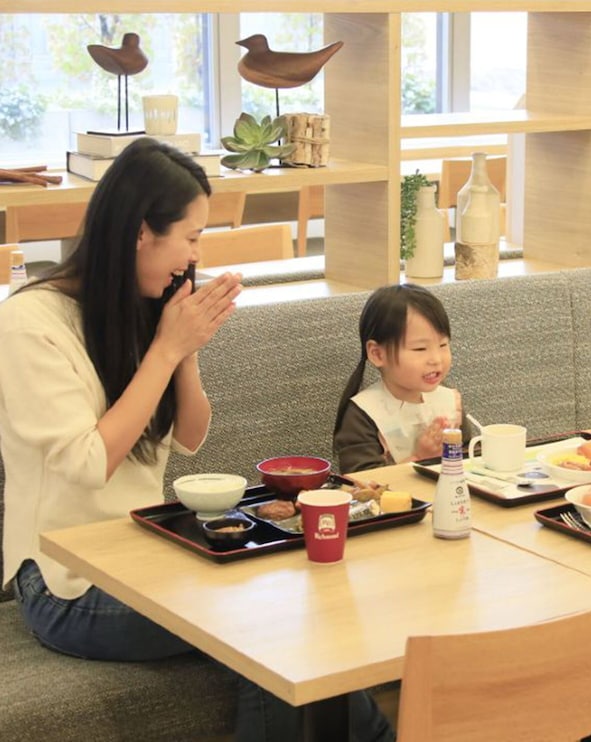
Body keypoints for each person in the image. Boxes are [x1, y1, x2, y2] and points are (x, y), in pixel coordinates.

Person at [0, 138, 393, 742]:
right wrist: (167, 348)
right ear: (139, 232)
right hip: (64, 583)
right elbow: (86, 464)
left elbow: (189, 435)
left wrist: (183, 351)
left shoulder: (138, 304)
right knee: (273, 627)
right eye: (190, 237)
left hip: (145, 555)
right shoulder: (28, 324)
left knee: (299, 610)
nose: (195, 255)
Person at [334, 283, 470, 474]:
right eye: (420, 349)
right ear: (377, 354)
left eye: (443, 344)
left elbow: (471, 459)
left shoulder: (448, 401)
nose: (436, 359)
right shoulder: (363, 413)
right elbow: (360, 482)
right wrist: (420, 458)